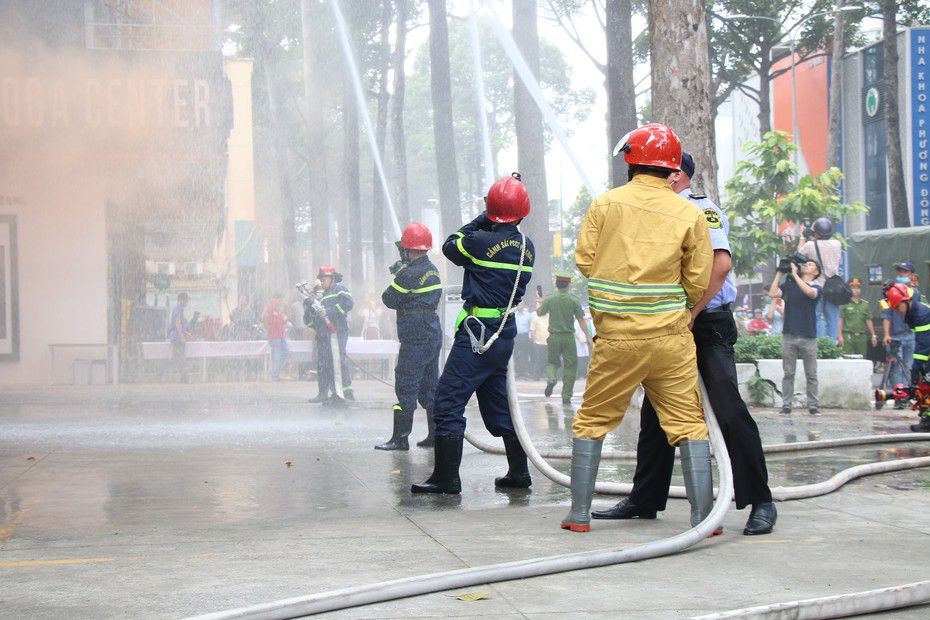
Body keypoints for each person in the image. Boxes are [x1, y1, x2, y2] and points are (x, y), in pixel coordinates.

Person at [590, 151, 776, 537]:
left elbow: (720, 265)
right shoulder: (659, 212)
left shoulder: (701, 210)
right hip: (665, 323)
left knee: (726, 405)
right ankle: (645, 498)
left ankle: (760, 500)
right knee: (657, 413)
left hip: (704, 322)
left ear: (675, 175)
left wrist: (691, 312)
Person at [561, 124, 714, 534]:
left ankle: (578, 515)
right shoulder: (690, 212)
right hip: (671, 339)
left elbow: (586, 261)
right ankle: (703, 518)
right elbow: (699, 279)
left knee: (592, 420)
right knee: (688, 424)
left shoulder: (605, 205)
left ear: (630, 159)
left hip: (617, 339)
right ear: (673, 168)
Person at [411, 173, 535, 494]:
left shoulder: (480, 242)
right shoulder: (527, 247)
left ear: (492, 211)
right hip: (503, 335)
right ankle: (519, 472)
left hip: (477, 336)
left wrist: (483, 217)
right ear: (522, 213)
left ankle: (446, 478)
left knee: (447, 401)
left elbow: (451, 245)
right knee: (499, 406)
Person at [375, 222, 442, 451]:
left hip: (415, 334)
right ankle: (435, 436)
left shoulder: (410, 274)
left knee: (406, 382)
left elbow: (389, 299)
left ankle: (400, 439)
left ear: (408, 249)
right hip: (432, 332)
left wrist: (399, 274)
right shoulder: (432, 269)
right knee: (429, 385)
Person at [768, 257, 823, 415]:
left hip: (808, 335)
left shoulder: (816, 287)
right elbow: (773, 293)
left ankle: (813, 406)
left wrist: (794, 273)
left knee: (811, 373)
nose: (806, 265)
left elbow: (809, 292)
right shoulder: (790, 285)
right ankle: (787, 405)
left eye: (810, 264)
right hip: (789, 334)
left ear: (816, 272)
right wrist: (780, 273)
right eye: (806, 263)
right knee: (788, 373)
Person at [537, 271, 593, 404]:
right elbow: (580, 320)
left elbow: (540, 313)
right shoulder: (573, 300)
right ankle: (566, 395)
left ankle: (552, 379)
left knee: (552, 362)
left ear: (556, 284)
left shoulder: (550, 299)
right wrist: (588, 337)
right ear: (568, 285)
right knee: (570, 366)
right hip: (568, 338)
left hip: (554, 337)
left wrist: (539, 302)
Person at [882, 283, 930, 432]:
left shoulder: (921, 314)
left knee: (926, 383)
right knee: (925, 385)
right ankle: (927, 419)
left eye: (897, 307)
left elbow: (923, 345)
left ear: (906, 301)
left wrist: (916, 368)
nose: (897, 311)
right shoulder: (913, 311)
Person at [308, 266, 355, 403]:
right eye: (321, 279)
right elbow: (313, 320)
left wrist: (328, 311)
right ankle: (323, 393)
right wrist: (309, 307)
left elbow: (348, 304)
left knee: (338, 361)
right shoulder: (321, 296)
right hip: (322, 334)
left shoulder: (340, 290)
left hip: (337, 332)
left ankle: (345, 393)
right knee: (323, 363)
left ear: (333, 278)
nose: (322, 281)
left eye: (324, 278)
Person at [798, 217, 842, 341]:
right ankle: (832, 345)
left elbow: (798, 256)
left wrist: (803, 237)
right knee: (832, 318)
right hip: (833, 288)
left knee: (816, 316)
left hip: (817, 287)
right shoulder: (837, 244)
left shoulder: (810, 245)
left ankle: (820, 344)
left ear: (816, 231)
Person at [883, 261, 920, 400]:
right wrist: (886, 334)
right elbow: (886, 314)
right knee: (897, 367)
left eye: (905, 272)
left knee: (909, 366)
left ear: (911, 275)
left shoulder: (915, 293)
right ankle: (899, 396)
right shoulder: (890, 292)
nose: (901, 275)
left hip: (911, 335)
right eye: (900, 272)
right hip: (895, 335)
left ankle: (907, 397)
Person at [838, 278, 877, 357]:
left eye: (858, 288)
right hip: (848, 335)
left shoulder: (865, 305)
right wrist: (840, 336)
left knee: (862, 359)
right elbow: (840, 321)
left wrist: (873, 335)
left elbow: (868, 321)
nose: (856, 290)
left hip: (861, 336)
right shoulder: (844, 304)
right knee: (845, 358)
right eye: (853, 288)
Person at [262, 293, 290, 381]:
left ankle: (275, 371)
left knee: (287, 353)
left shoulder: (279, 311)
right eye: (279, 300)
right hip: (274, 337)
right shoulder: (270, 308)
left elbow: (283, 322)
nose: (280, 302)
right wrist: (268, 307)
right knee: (276, 356)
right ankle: (275, 375)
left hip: (281, 336)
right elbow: (263, 317)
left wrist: (288, 316)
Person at [168, 292, 190, 383]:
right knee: (181, 358)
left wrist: (186, 333)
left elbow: (180, 324)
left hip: (177, 336)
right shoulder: (178, 309)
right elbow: (178, 323)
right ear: (181, 300)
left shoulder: (179, 309)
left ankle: (161, 373)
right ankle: (185, 379)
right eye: (186, 300)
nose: (187, 303)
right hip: (177, 337)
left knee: (176, 358)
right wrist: (182, 337)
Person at [513, 301, 534, 378]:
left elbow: (530, 327)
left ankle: (525, 371)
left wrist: (530, 337)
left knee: (525, 353)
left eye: (521, 304)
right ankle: (518, 371)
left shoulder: (528, 315)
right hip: (516, 336)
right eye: (518, 304)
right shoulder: (514, 315)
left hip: (524, 336)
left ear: (524, 305)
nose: (520, 306)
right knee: (516, 354)